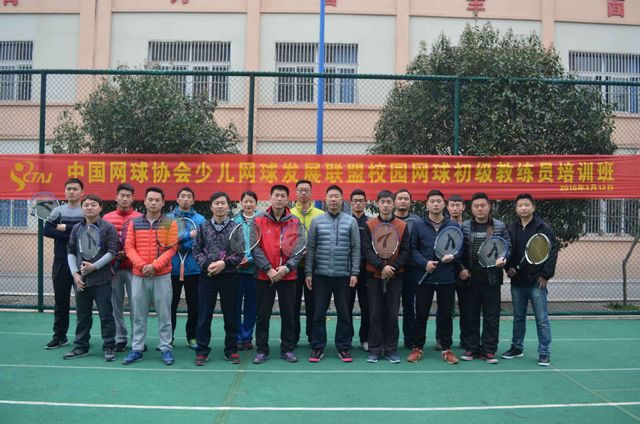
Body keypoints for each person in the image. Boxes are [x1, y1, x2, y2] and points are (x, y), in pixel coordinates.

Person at [122, 187, 177, 366]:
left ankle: (165, 348)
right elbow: (129, 247)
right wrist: (142, 265)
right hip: (139, 276)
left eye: (157, 200)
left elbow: (171, 249)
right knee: (138, 316)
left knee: (164, 315)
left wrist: (155, 266)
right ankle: (137, 349)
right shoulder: (134, 223)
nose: (153, 203)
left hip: (162, 276)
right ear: (144, 201)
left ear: (163, 203)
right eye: (150, 199)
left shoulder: (170, 223)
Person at [305, 185, 360, 363]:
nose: (334, 200)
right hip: (320, 275)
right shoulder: (317, 222)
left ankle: (343, 347)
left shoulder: (351, 222)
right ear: (325, 200)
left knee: (344, 313)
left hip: (343, 275)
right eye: (331, 196)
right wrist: (308, 272)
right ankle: (317, 347)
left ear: (342, 200)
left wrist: (354, 272)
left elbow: (356, 249)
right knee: (318, 313)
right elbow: (311, 249)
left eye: (337, 196)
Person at [502, 193, 558, 367]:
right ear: (516, 208)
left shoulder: (543, 227)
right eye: (520, 205)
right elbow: (507, 250)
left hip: (536, 281)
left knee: (542, 319)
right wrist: (508, 267)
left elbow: (552, 251)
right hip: (517, 281)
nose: (523, 208)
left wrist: (545, 275)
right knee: (518, 317)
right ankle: (517, 348)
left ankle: (544, 352)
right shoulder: (511, 228)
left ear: (533, 207)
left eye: (527, 205)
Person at [252, 184, 304, 364]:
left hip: (288, 276)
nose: (279, 199)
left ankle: (287, 349)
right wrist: (268, 269)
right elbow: (255, 248)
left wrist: (286, 268)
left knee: (289, 314)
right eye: (276, 195)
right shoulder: (258, 220)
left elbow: (299, 249)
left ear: (288, 199)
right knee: (262, 314)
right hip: (264, 275)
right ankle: (262, 350)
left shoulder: (295, 221)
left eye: (283, 196)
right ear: (270, 197)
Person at [407, 189, 461, 365]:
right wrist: (425, 264)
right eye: (432, 201)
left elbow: (460, 248)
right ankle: (418, 347)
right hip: (425, 277)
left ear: (444, 204)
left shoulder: (453, 225)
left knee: (446, 314)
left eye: (439, 201)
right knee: (421, 314)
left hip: (447, 278)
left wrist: (453, 256)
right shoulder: (418, 225)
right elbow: (413, 249)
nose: (436, 204)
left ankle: (447, 349)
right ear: (427, 204)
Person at [64, 195, 118, 361]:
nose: (89, 207)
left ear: (100, 207)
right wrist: (75, 274)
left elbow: (112, 252)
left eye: (93, 205)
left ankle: (109, 347)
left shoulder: (108, 228)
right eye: (86, 205)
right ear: (82, 208)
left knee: (106, 315)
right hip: (81, 282)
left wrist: (94, 267)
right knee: (82, 316)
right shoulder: (76, 228)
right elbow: (71, 251)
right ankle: (81, 347)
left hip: (102, 280)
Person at [459, 192, 511, 364]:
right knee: (470, 315)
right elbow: (458, 252)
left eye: (483, 205)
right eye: (476, 206)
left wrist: (504, 259)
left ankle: (489, 350)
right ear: (471, 208)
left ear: (489, 207)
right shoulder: (464, 227)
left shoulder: (500, 226)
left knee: (491, 316)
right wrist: (462, 269)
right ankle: (471, 348)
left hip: (491, 279)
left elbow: (508, 247)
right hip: (470, 279)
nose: (479, 209)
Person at [192, 192, 242, 366]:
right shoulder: (203, 227)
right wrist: (207, 265)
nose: (220, 206)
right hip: (207, 277)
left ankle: (231, 350)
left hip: (230, 277)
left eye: (223, 203)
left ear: (228, 206)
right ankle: (202, 350)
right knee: (204, 315)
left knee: (231, 315)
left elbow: (239, 254)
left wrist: (224, 264)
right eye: (216, 203)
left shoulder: (236, 227)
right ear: (211, 206)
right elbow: (196, 251)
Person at [362, 190, 411, 363]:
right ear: (377, 204)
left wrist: (393, 268)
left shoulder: (402, 226)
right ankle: (375, 349)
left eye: (389, 202)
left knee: (392, 314)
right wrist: (381, 267)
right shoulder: (369, 225)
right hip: (373, 276)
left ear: (393, 204)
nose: (385, 205)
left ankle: (391, 350)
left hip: (395, 277)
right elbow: (367, 249)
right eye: (382, 202)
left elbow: (406, 251)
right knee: (375, 314)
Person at [43, 178, 85, 350]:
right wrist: (71, 235)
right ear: (65, 191)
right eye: (69, 189)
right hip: (61, 261)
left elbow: (88, 232)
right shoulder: (58, 211)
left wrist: (65, 228)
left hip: (83, 264)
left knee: (83, 304)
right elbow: (47, 230)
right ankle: (59, 337)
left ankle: (82, 339)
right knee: (61, 302)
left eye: (75, 189)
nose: (71, 191)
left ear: (82, 192)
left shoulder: (86, 210)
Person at [103, 183, 142, 353]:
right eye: (122, 195)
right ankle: (120, 338)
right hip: (113, 270)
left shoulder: (140, 218)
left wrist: (129, 254)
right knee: (115, 306)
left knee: (137, 307)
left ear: (132, 199)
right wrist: (114, 255)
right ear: (116, 197)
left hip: (134, 270)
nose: (125, 199)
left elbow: (143, 243)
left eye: (128, 196)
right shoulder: (106, 218)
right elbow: (102, 243)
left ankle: (137, 340)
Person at [168, 187, 205, 350]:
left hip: (194, 270)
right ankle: (168, 337)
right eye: (182, 196)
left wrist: (180, 243)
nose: (185, 199)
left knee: (194, 305)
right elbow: (167, 241)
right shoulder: (168, 218)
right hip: (172, 270)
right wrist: (188, 236)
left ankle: (192, 337)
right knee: (170, 305)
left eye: (189, 196)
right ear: (177, 199)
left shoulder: (200, 219)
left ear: (193, 201)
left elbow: (201, 243)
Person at [290, 179, 324, 347]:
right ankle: (292, 337)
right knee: (293, 304)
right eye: (300, 190)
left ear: (311, 193)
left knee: (314, 304)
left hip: (314, 267)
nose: (303, 193)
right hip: (293, 267)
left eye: (306, 190)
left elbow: (324, 238)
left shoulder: (320, 214)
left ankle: (313, 337)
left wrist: (313, 251)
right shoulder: (289, 214)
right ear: (295, 193)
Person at [393, 189, 422, 350]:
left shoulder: (417, 221)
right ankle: (389, 340)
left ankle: (410, 339)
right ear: (394, 201)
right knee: (390, 306)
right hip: (392, 270)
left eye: (406, 199)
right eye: (400, 198)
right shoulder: (388, 219)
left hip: (412, 270)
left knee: (409, 305)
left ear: (410, 202)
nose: (403, 201)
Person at [233, 190, 260, 351]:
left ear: (256, 203)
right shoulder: (233, 221)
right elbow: (229, 245)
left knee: (252, 306)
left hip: (255, 271)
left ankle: (247, 337)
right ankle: (237, 337)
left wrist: (250, 259)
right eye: (246, 201)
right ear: (241, 203)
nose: (248, 204)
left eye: (251, 201)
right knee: (235, 305)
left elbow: (264, 245)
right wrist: (238, 259)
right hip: (237, 270)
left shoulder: (261, 220)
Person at [349, 188, 370, 352]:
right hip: (347, 271)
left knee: (367, 307)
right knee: (346, 307)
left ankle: (365, 338)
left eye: (361, 201)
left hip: (366, 271)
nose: (358, 203)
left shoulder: (370, 223)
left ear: (365, 203)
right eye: (355, 201)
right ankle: (346, 339)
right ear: (350, 203)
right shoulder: (345, 221)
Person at [445, 194, 466, 351]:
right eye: (452, 205)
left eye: (458, 205)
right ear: (447, 207)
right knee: (446, 309)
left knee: (466, 308)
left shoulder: (468, 226)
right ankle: (443, 340)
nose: (455, 208)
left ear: (463, 207)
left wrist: (465, 269)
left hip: (466, 275)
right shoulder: (444, 226)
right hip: (449, 273)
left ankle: (466, 340)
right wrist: (459, 268)